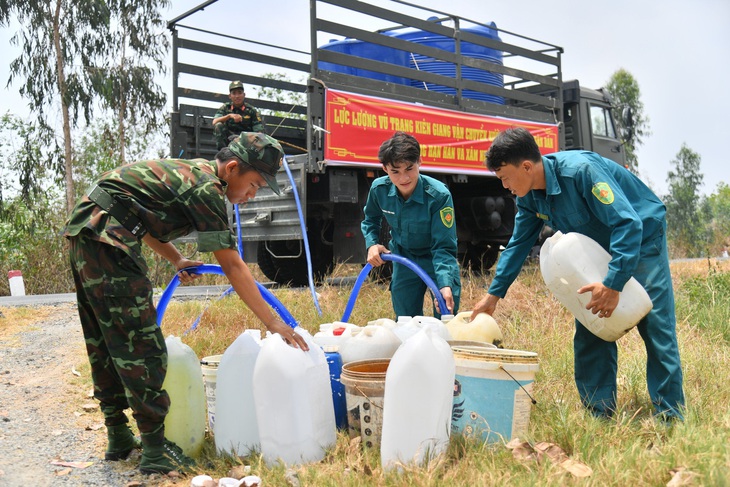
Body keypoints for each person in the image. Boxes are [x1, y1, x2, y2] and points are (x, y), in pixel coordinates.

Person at [63, 132, 308, 475]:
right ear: (233, 168)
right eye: (253, 184)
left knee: (105, 339)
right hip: (108, 240)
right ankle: (154, 449)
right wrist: (274, 323)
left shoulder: (195, 172)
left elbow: (138, 220)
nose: (252, 196)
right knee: (142, 344)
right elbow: (233, 265)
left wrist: (177, 258)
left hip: (89, 231)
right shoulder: (208, 189)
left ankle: (119, 434)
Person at [471, 127, 685, 421]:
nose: (504, 185)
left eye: (505, 177)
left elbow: (628, 224)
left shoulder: (581, 172)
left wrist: (613, 284)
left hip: (641, 237)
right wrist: (493, 295)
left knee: (655, 325)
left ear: (526, 166)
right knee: (592, 321)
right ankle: (599, 413)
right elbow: (518, 245)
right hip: (599, 245)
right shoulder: (529, 196)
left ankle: (670, 416)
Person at [361, 131, 460, 318]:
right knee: (406, 320)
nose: (403, 178)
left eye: (409, 168)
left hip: (435, 258)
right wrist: (372, 244)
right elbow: (370, 220)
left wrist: (445, 283)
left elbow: (444, 246)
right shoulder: (379, 189)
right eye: (395, 171)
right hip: (403, 257)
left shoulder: (439, 196)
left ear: (419, 162)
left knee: (446, 316)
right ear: (385, 169)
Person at [212, 80, 265, 150]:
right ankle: (223, 153)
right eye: (234, 93)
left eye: (240, 93)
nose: (237, 96)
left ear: (244, 95)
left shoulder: (251, 110)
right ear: (230, 96)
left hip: (245, 142)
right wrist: (229, 116)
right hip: (228, 140)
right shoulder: (226, 107)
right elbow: (214, 122)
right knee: (218, 125)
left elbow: (259, 132)